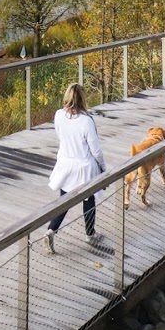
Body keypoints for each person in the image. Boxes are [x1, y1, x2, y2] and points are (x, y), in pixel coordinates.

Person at [43, 83, 107, 254]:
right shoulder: (86, 121)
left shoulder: (58, 115)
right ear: (82, 99)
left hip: (65, 164)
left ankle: (51, 230)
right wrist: (103, 167)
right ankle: (90, 234)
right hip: (84, 167)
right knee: (89, 200)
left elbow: (60, 136)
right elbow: (96, 150)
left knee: (64, 201)